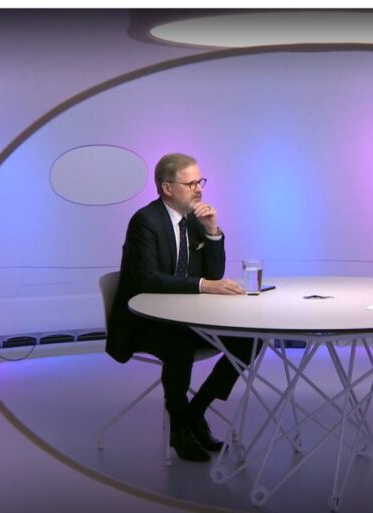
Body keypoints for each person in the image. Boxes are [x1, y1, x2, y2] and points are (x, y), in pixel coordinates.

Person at [106, 152, 258, 462]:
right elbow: (148, 279)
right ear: (167, 188)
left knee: (249, 338)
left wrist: (212, 231)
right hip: (145, 322)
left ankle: (195, 411)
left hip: (185, 319)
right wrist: (203, 285)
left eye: (200, 182)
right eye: (191, 184)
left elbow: (213, 274)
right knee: (178, 347)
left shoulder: (193, 220)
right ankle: (179, 428)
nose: (199, 189)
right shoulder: (145, 221)